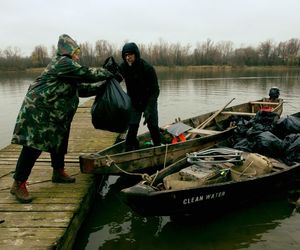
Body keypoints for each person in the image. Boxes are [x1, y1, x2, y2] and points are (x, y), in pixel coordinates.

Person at [10, 34, 115, 203]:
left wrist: (104, 84)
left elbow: (82, 90)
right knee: (33, 146)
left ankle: (58, 172)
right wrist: (107, 73)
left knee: (59, 138)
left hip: (54, 114)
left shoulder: (68, 70)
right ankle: (18, 184)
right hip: (39, 111)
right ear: (68, 51)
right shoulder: (63, 63)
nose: (78, 55)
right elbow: (86, 73)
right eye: (76, 51)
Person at [119, 42, 161, 150]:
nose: (128, 58)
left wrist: (149, 109)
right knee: (132, 127)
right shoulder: (123, 67)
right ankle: (129, 149)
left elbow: (155, 91)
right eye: (126, 55)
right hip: (134, 102)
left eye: (130, 55)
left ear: (136, 54)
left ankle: (158, 147)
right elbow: (115, 78)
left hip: (149, 101)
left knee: (153, 126)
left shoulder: (148, 68)